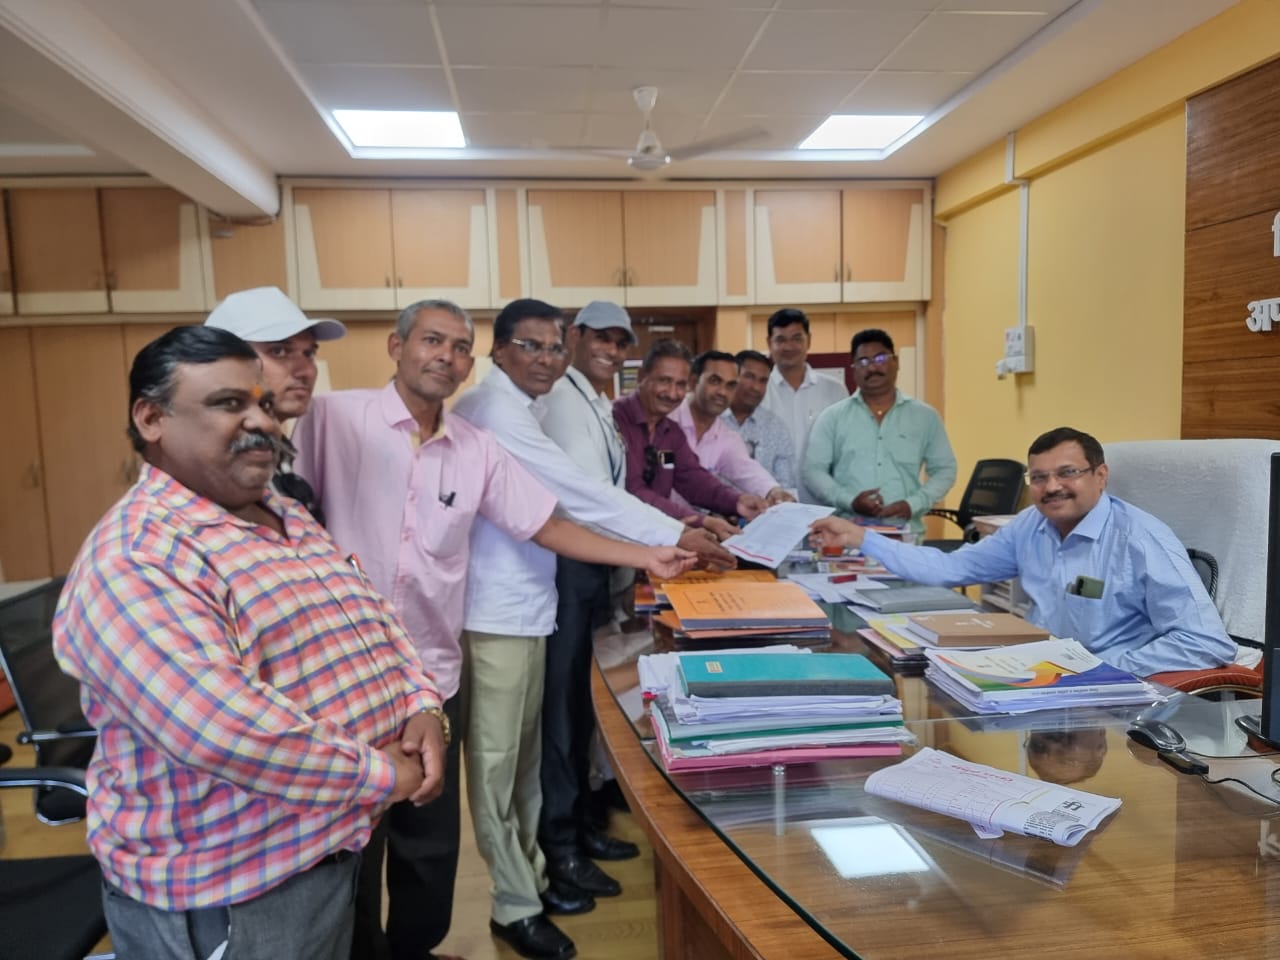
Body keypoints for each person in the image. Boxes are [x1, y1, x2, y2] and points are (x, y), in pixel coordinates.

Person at [52, 326, 446, 960]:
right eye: (229, 404)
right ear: (152, 419)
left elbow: (371, 613)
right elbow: (224, 730)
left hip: (328, 848)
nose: (262, 421)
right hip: (239, 892)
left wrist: (420, 702)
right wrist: (381, 776)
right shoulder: (137, 559)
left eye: (262, 403)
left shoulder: (280, 510)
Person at [450, 298, 695, 959]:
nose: (545, 359)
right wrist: (668, 537)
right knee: (499, 766)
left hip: (531, 603)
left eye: (552, 347)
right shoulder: (494, 410)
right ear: (498, 349)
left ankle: (534, 877)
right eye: (530, 346)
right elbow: (572, 493)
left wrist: (655, 547)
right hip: (494, 611)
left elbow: (550, 517)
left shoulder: (530, 406)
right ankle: (515, 901)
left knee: (530, 758)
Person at [537, 301, 733, 905]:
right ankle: (562, 849)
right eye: (601, 338)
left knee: (584, 705)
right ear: (575, 337)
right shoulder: (569, 401)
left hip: (602, 566)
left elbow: (682, 477)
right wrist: (680, 531)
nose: (611, 350)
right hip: (569, 567)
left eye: (620, 342)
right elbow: (602, 495)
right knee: (562, 716)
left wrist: (724, 509)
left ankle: (584, 823)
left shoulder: (605, 407)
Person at [811, 427, 1237, 677]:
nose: (1052, 487)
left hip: (1108, 692)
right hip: (1035, 674)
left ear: (1101, 475)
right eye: (1039, 477)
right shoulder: (1030, 525)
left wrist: (1107, 666)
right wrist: (860, 537)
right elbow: (949, 568)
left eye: (1067, 473)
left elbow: (1206, 642)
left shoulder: (1140, 540)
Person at [204, 285, 347, 522]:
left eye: (309, 354)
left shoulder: (279, 460)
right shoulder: (215, 470)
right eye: (279, 351)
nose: (306, 371)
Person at [804, 328, 957, 538]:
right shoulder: (832, 417)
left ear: (896, 362)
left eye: (880, 358)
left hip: (905, 537)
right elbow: (813, 471)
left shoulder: (925, 417)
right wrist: (850, 501)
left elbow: (945, 470)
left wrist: (912, 504)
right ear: (854, 369)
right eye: (863, 361)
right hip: (847, 536)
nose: (872, 367)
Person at [614, 339, 769, 541]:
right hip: (612, 543)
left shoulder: (669, 431)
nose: (672, 393)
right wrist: (702, 521)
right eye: (664, 381)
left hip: (653, 540)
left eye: (680, 384)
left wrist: (737, 502)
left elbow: (692, 478)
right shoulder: (616, 419)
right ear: (642, 377)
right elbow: (634, 491)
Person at [672, 349, 793, 507]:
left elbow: (746, 469)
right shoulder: (666, 419)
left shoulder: (726, 437)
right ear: (694, 382)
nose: (722, 392)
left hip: (695, 519)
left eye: (730, 385)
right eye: (714, 381)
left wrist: (773, 491)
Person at [758, 308, 847, 501]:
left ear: (809, 340)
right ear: (769, 343)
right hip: (772, 502)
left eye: (796, 338)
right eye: (781, 340)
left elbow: (845, 447)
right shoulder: (758, 391)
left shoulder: (835, 390)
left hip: (825, 502)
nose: (789, 347)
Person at [722, 349, 797, 492]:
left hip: (764, 505)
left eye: (763, 381)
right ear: (733, 377)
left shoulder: (775, 427)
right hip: (711, 505)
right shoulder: (712, 419)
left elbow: (786, 484)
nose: (756, 387)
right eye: (749, 377)